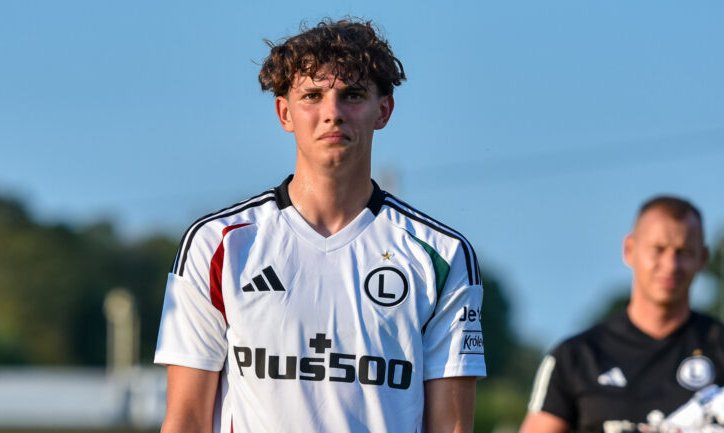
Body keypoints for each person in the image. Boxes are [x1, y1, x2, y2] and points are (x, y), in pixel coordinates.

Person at [154, 19, 485, 433]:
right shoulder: (218, 244)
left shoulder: (441, 254)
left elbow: (452, 427)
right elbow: (185, 420)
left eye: (352, 95)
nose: (332, 113)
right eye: (312, 95)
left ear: (384, 110)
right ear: (284, 112)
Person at [520, 196, 724, 433]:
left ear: (703, 258)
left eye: (684, 252)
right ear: (629, 249)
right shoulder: (575, 357)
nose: (670, 264)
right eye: (658, 250)